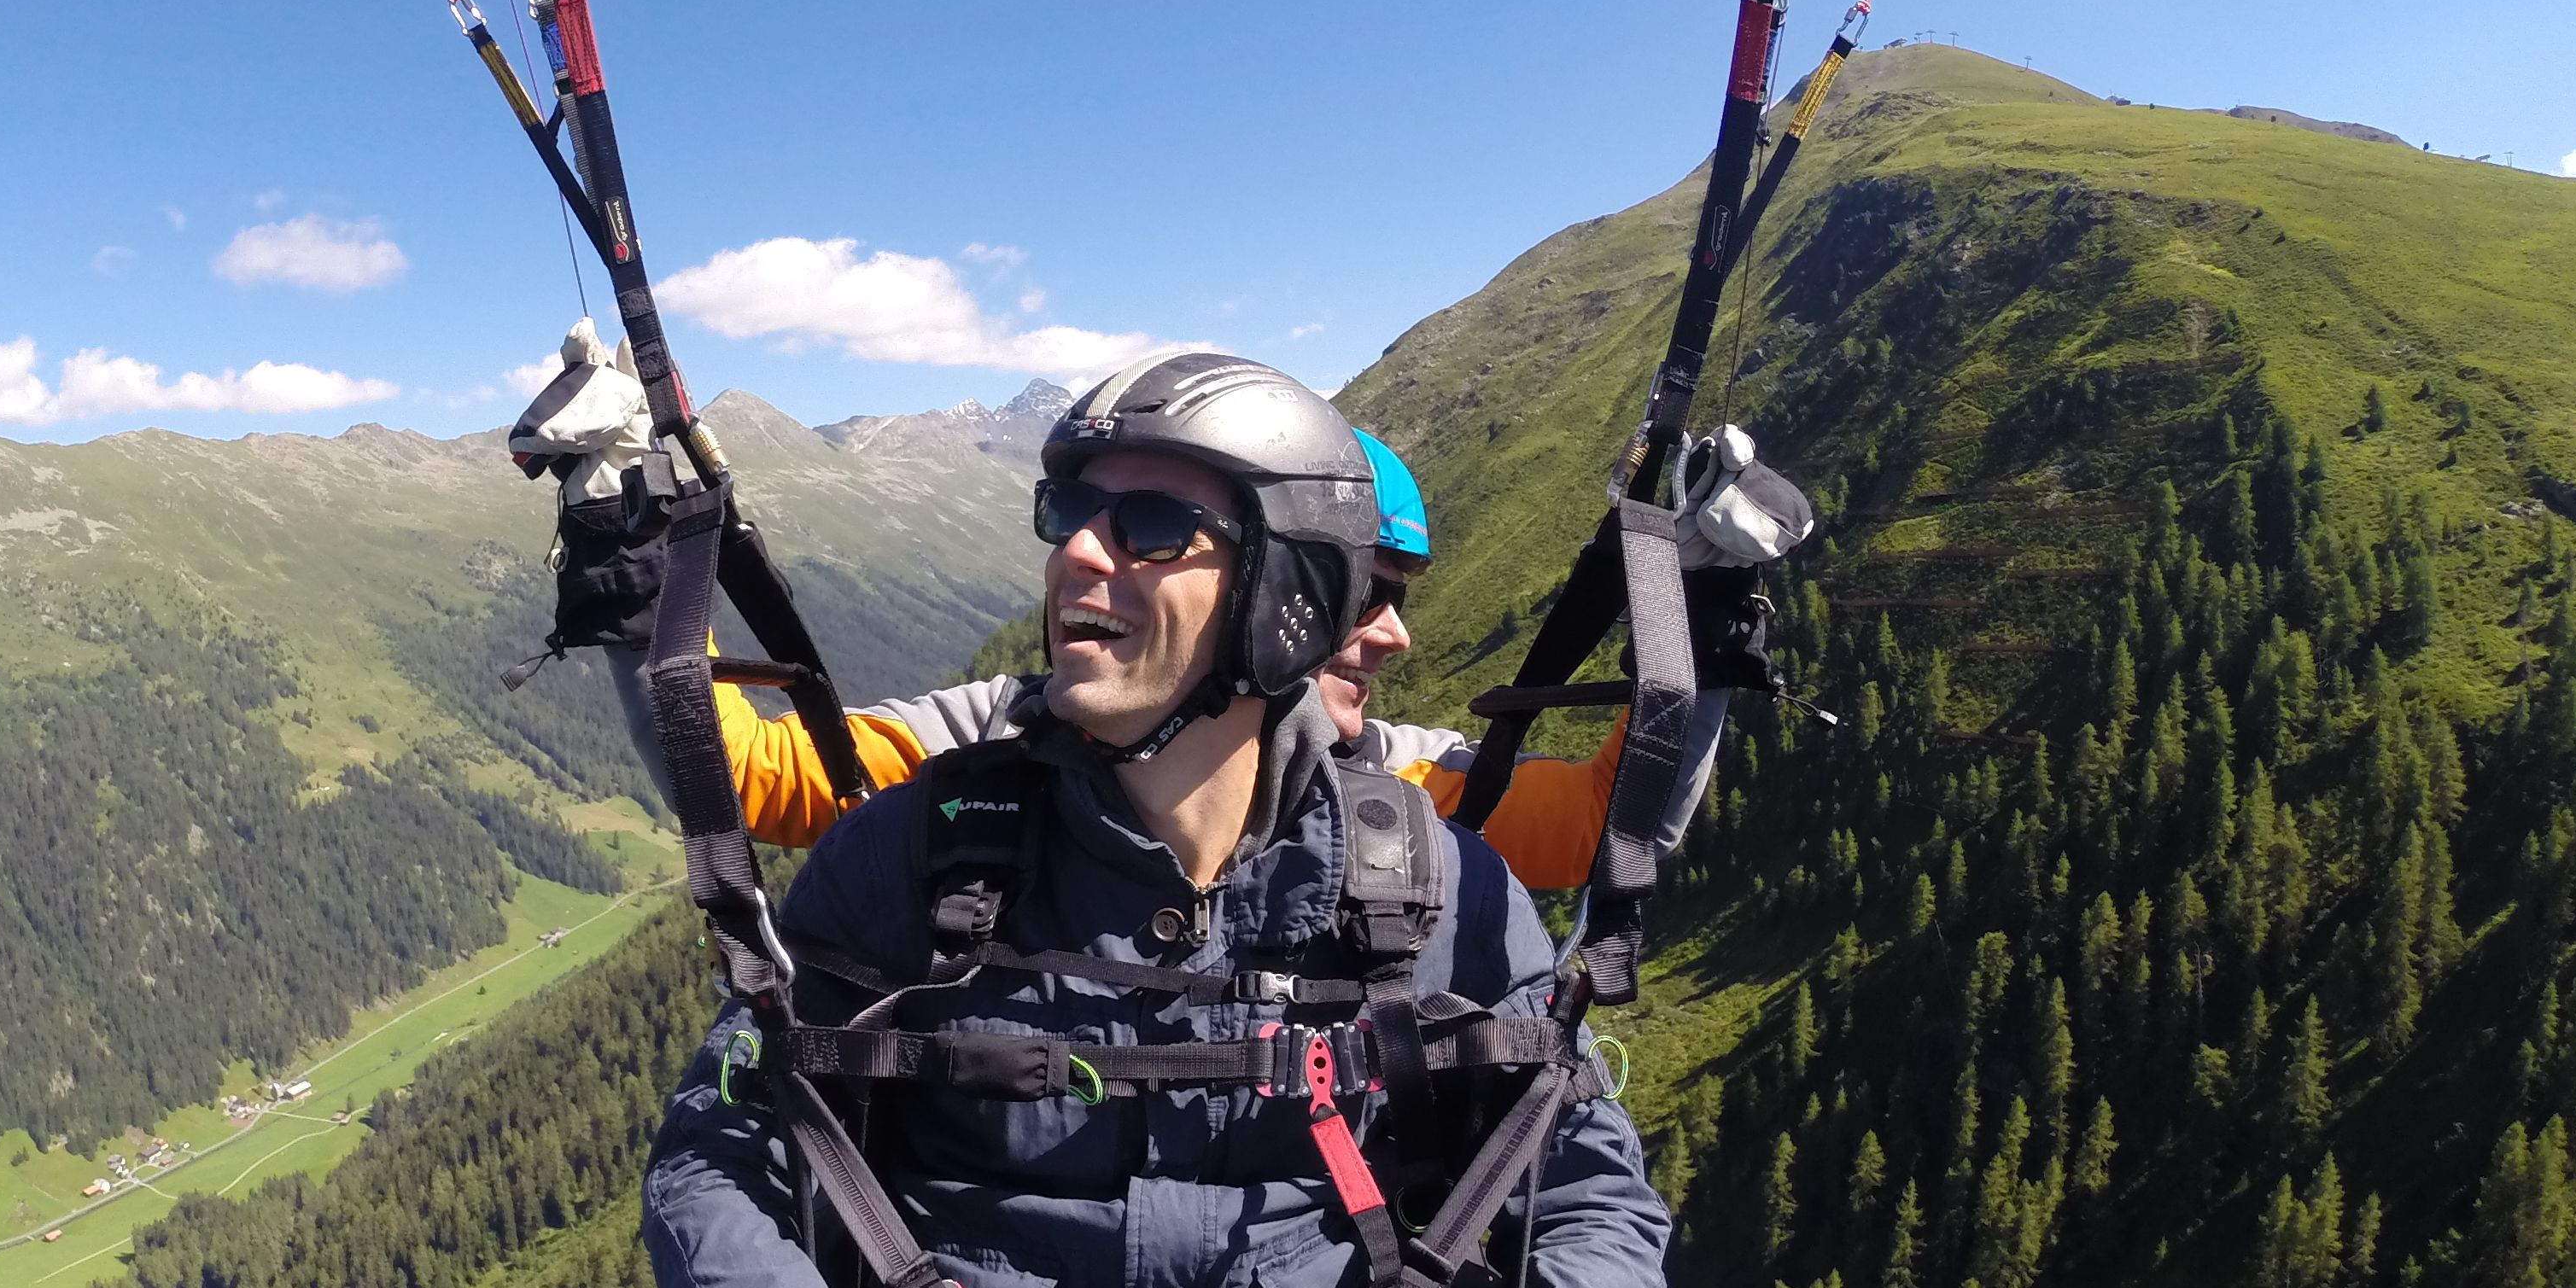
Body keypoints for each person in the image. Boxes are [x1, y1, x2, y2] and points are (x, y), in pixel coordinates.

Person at [639, 351, 1671, 1288]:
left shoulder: (1428, 887)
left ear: (1286, 591)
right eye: (1070, 510)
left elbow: (1592, 1194)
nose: (1079, 551)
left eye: (1147, 526)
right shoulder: (919, 853)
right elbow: (721, 1153)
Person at [504, 332, 1744, 895]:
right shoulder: (991, 747)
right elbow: (756, 778)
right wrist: (631, 544)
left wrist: (1695, 603)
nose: (1390, 636)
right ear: (1287, 592)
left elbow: (1606, 832)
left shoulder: (1404, 794)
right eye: (1367, 598)